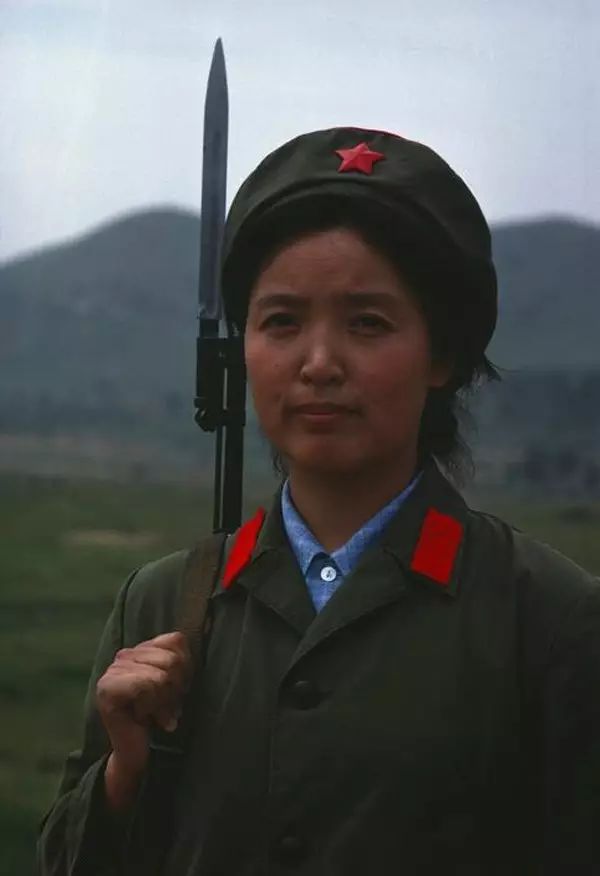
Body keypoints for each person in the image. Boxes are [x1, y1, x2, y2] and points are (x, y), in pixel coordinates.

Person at [36, 127, 600, 876]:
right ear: (243, 350)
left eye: (368, 323)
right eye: (282, 322)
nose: (319, 363)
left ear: (442, 353)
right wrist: (125, 772)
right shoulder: (164, 602)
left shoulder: (551, 618)